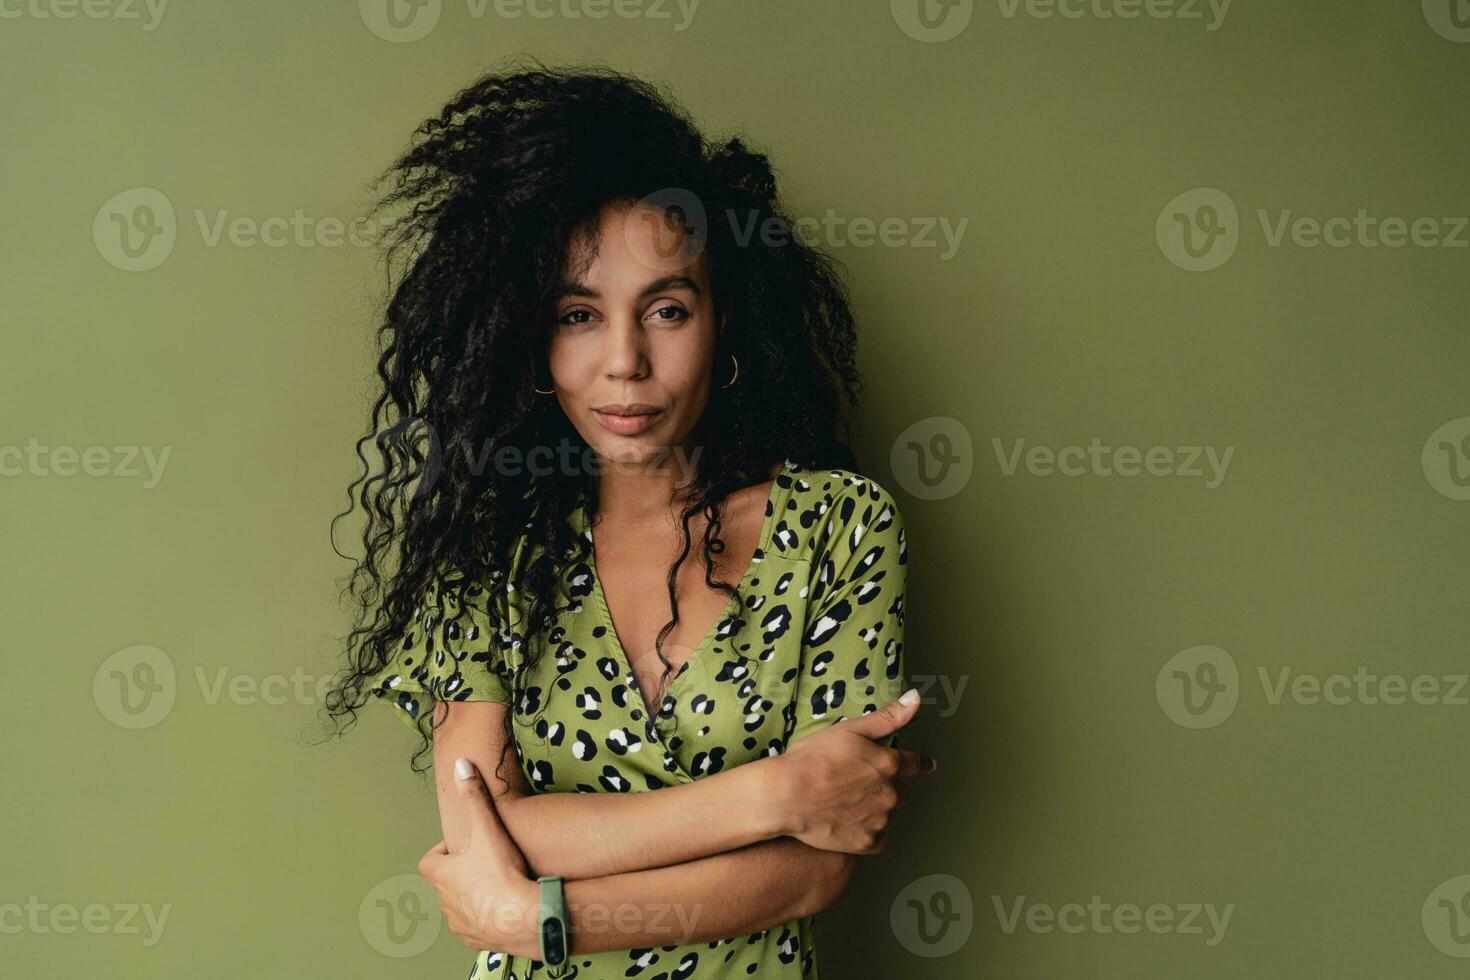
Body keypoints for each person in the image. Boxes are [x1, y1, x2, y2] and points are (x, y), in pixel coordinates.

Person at [327, 58, 938, 978]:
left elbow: (816, 872)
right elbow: (486, 826)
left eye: (665, 309)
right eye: (579, 314)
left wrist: (539, 920)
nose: (625, 362)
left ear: (722, 319)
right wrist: (776, 791)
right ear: (526, 336)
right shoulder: (490, 545)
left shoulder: (838, 527)